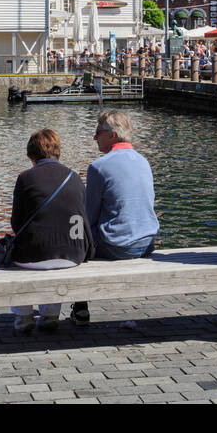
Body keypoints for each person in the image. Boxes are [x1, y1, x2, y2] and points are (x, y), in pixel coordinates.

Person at [69, 111, 159, 326]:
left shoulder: (99, 167)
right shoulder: (144, 161)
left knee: (75, 235)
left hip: (118, 246)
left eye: (98, 132)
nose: (94, 137)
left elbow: (88, 216)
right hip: (147, 242)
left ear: (113, 135)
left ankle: (80, 306)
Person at [7, 129, 93, 333]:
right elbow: (80, 220)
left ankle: (23, 316)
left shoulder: (26, 178)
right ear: (58, 151)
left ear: (31, 154)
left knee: (21, 254)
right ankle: (50, 315)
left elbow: (16, 223)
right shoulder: (74, 177)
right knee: (55, 251)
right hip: (72, 255)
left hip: (32, 255)